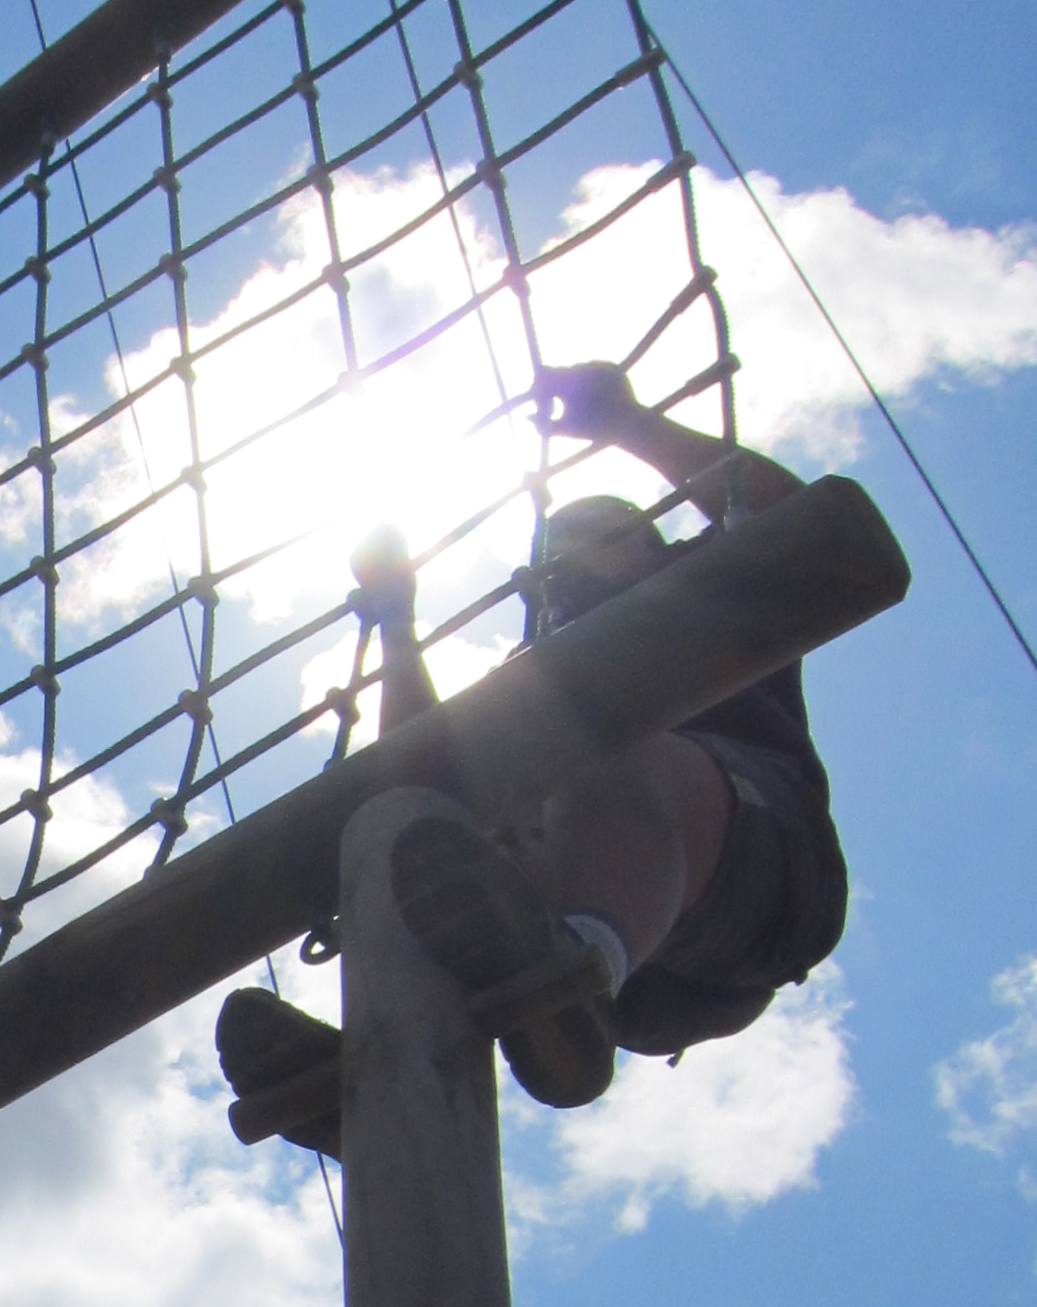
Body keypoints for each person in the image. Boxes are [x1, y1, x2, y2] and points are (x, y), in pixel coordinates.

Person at [346, 360, 849, 1108]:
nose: (572, 557)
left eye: (601, 534)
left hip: (760, 876)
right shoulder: (533, 674)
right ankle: (380, 1071)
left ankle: (574, 977)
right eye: (556, 553)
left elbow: (807, 533)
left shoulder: (703, 581)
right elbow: (418, 772)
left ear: (654, 544)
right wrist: (397, 621)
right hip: (627, 967)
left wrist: (631, 424)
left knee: (601, 750)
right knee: (419, 835)